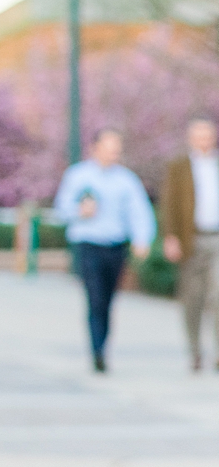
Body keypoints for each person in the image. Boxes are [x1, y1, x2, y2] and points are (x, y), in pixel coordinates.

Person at [53, 128, 154, 373]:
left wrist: (142, 239)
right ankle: (97, 350)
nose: (113, 154)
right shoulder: (78, 176)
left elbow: (139, 212)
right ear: (95, 148)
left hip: (115, 246)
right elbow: (61, 210)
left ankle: (103, 344)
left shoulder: (126, 180)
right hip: (88, 245)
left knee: (108, 300)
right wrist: (80, 211)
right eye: (109, 148)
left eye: (116, 150)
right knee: (95, 298)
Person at [161, 118, 219, 372]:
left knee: (217, 296)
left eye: (208, 135)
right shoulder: (179, 166)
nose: (204, 140)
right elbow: (169, 203)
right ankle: (195, 350)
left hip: (216, 236)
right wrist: (171, 237)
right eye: (199, 135)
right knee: (192, 297)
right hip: (191, 238)